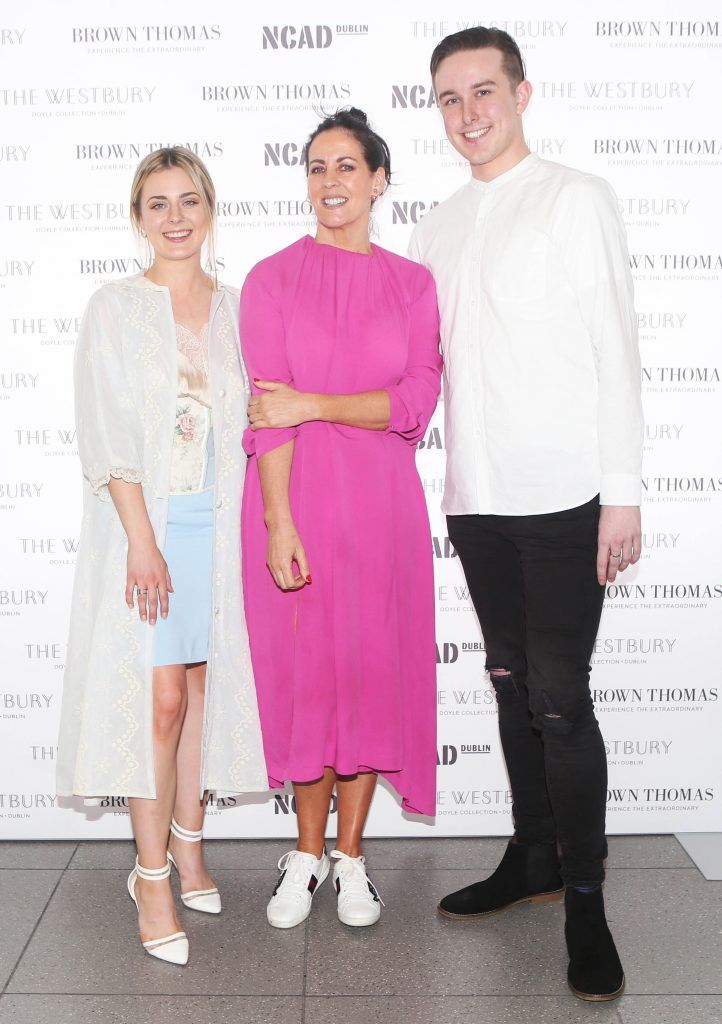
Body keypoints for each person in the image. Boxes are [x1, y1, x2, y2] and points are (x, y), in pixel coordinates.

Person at [408, 28, 643, 1002]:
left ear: (520, 93)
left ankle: (585, 899)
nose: (467, 113)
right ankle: (532, 857)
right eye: (449, 98)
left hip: (561, 497)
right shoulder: (436, 224)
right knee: (509, 689)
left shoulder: (574, 195)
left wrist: (620, 491)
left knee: (558, 697)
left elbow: (612, 344)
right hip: (474, 499)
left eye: (482, 92)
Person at [56, 147, 267, 964]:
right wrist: (143, 542)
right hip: (147, 526)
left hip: (224, 525)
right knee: (161, 703)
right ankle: (149, 877)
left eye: (189, 201)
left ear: (210, 210)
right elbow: (106, 433)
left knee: (205, 693)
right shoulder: (115, 308)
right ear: (137, 217)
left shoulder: (241, 309)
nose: (175, 217)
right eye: (157, 204)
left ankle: (188, 844)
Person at [240, 108, 441, 930]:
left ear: (380, 181)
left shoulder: (412, 283)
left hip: (385, 512)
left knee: (369, 677)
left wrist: (320, 400)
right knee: (310, 679)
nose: (331, 181)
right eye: (317, 167)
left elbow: (416, 401)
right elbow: (268, 416)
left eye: (347, 166)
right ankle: (305, 854)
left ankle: (353, 859)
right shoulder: (271, 279)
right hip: (300, 505)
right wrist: (280, 523)